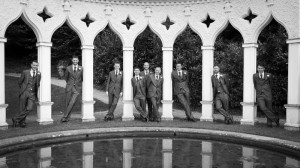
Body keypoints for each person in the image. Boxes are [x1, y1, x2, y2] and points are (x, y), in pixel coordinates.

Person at [12, 60, 41, 128]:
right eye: (34, 65)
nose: (35, 66)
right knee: (22, 108)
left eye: (36, 65)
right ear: (31, 65)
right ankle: (22, 122)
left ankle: (16, 119)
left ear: (38, 66)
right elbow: (20, 82)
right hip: (24, 92)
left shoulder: (39, 73)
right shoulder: (25, 72)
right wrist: (23, 89)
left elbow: (38, 84)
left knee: (29, 108)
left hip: (32, 93)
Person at [60, 56, 83, 122]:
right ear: (72, 61)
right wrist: (70, 84)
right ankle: (67, 117)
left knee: (72, 102)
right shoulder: (68, 68)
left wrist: (78, 85)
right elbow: (66, 78)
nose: (75, 61)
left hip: (77, 88)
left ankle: (65, 116)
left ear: (78, 61)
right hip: (69, 87)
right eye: (74, 60)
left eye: (76, 60)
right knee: (68, 102)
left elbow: (82, 78)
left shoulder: (81, 68)